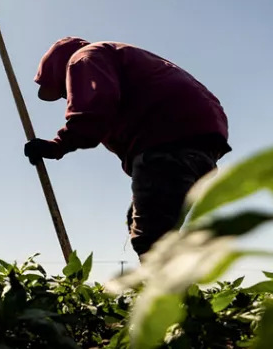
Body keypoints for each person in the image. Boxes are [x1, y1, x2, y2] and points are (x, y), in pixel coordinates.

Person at [22, 37, 231, 258]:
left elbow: (93, 113)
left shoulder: (83, 58)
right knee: (146, 221)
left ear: (57, 68)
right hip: (202, 142)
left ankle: (171, 291)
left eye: (63, 91)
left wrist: (56, 146)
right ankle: (174, 284)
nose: (67, 96)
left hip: (166, 138)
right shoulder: (116, 55)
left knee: (152, 239)